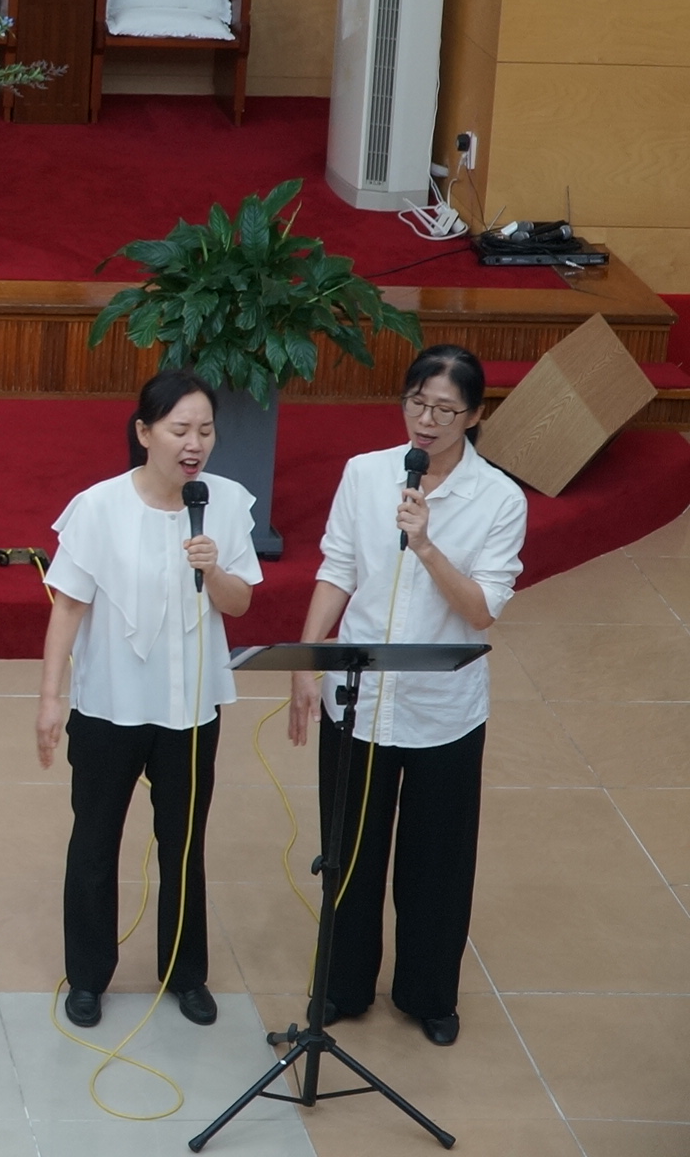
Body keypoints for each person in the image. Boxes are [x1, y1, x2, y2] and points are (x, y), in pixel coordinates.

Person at [287, 344, 522, 1047]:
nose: (426, 421)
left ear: (474, 415)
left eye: (445, 410)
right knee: (348, 852)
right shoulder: (366, 473)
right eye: (417, 403)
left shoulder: (499, 499)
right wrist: (308, 658)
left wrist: (425, 545)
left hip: (442, 710)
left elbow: (481, 611)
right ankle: (343, 984)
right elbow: (337, 566)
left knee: (435, 862)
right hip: (358, 699)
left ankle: (428, 994)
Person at [36, 368, 259, 1031]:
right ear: (144, 432)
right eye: (180, 429)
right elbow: (68, 606)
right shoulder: (99, 507)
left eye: (206, 430)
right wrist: (50, 698)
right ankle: (87, 977)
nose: (195, 444)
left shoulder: (225, 503)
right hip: (110, 704)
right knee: (95, 842)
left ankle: (185, 975)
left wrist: (213, 568)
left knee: (183, 844)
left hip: (189, 709)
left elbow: (240, 604)